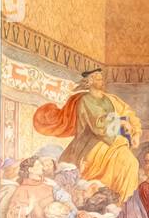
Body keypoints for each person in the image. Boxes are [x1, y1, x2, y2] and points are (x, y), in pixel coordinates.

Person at [32, 67, 142, 201]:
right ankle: (121, 202)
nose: (102, 81)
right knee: (128, 164)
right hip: (93, 144)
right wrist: (120, 122)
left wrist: (136, 133)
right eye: (98, 78)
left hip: (113, 142)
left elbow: (128, 113)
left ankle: (124, 203)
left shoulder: (111, 99)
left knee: (131, 164)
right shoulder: (85, 100)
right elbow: (97, 123)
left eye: (102, 78)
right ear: (89, 81)